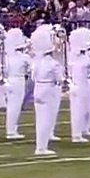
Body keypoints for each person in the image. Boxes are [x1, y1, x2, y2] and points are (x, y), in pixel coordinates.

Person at [29, 25, 62, 156]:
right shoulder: (54, 64)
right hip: (48, 89)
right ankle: (42, 147)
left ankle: (40, 146)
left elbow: (33, 77)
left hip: (38, 88)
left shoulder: (36, 62)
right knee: (46, 119)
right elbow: (60, 79)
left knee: (39, 119)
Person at [67, 28, 90, 143]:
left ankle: (83, 129)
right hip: (79, 85)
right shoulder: (78, 58)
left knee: (84, 109)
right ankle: (76, 134)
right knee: (78, 110)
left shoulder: (79, 57)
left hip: (82, 84)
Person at [2, 28, 30, 140]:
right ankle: (11, 131)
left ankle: (11, 129)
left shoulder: (6, 56)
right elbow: (31, 69)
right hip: (18, 81)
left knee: (11, 106)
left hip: (8, 80)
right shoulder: (23, 57)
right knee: (15, 106)